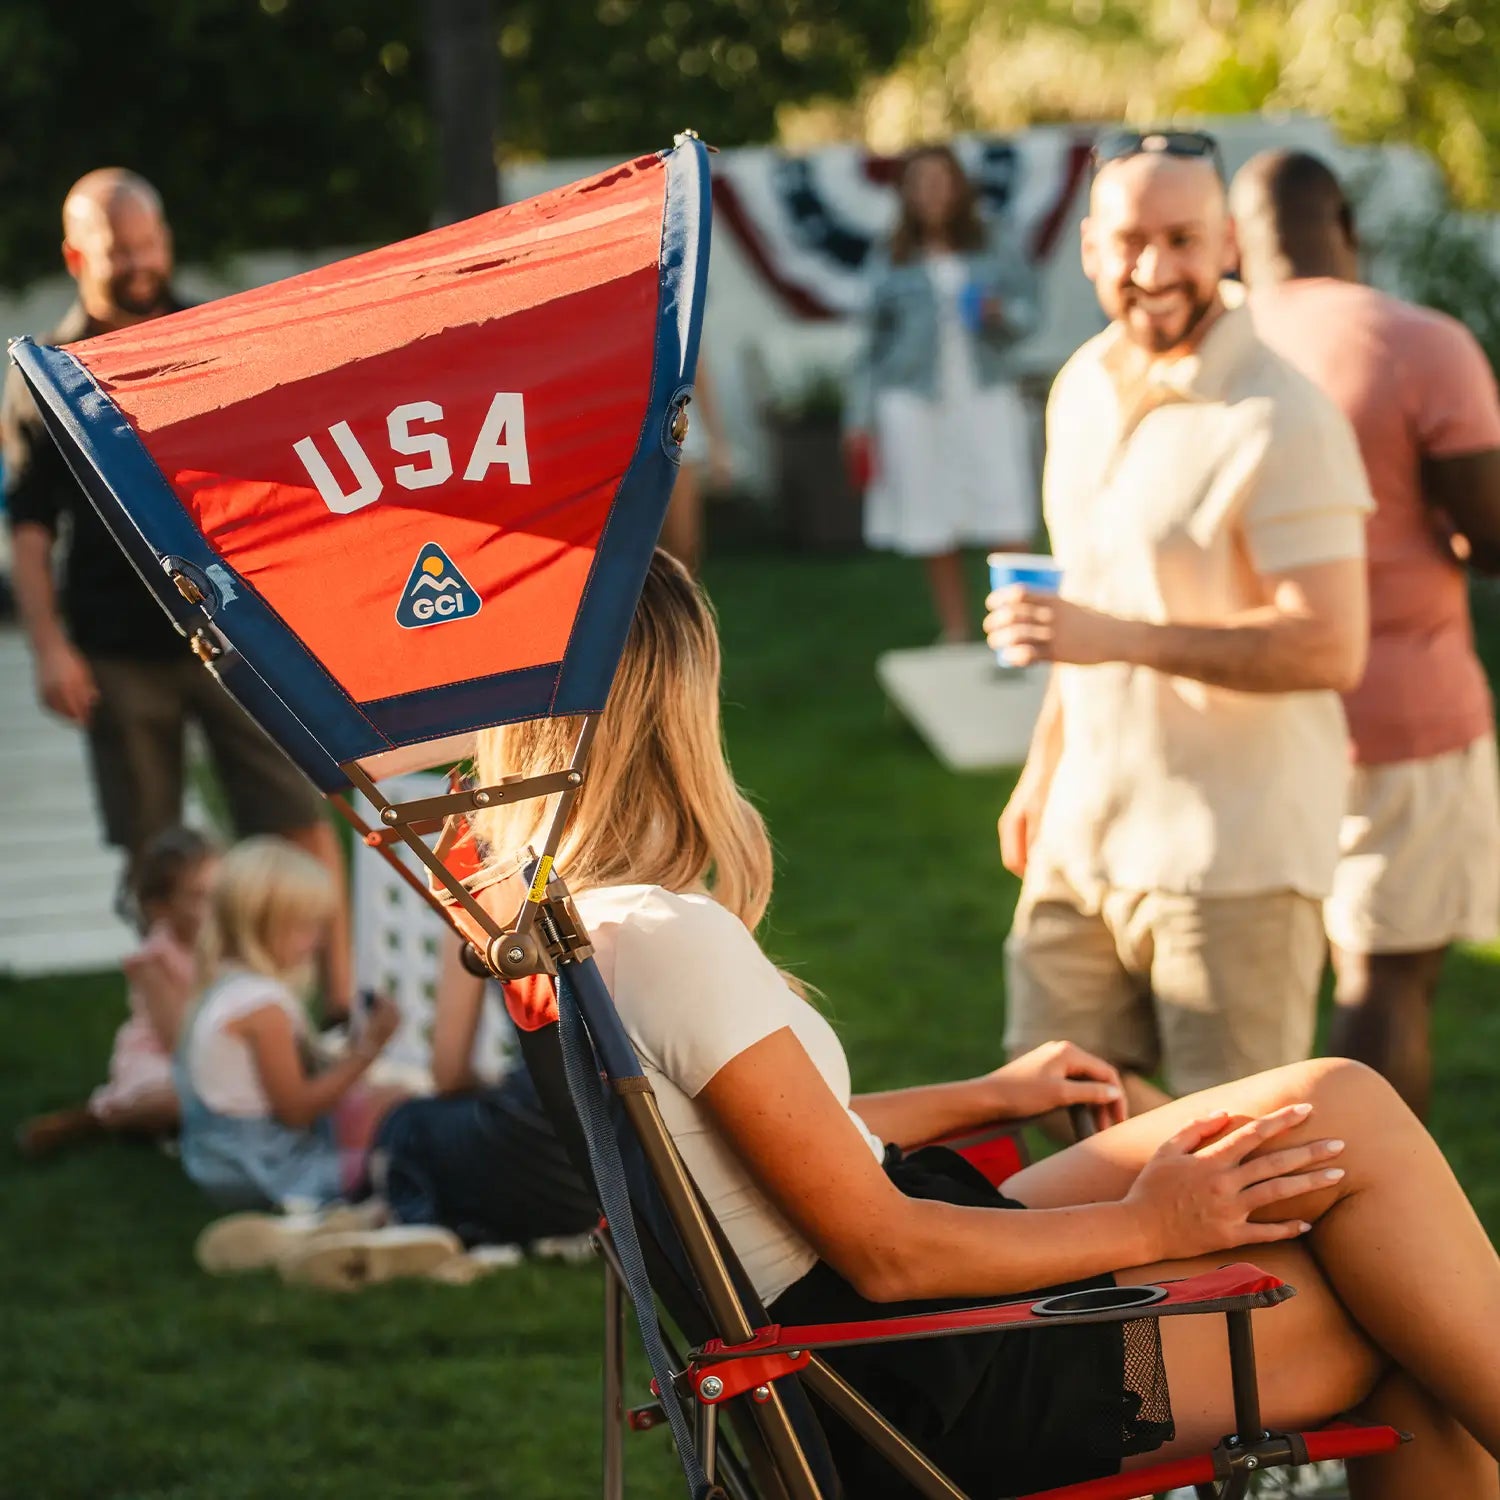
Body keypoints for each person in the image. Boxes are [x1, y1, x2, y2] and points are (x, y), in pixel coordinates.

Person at [466, 549, 1500, 1496]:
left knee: (1333, 1122)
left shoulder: (570, 934)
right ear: (674, 709)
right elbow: (889, 1256)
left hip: (850, 1331)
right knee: (1394, 1296)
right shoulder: (662, 936)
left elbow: (758, 1149)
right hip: (914, 1369)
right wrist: (1157, 1224)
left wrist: (996, 1097)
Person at [985, 132, 1373, 1108]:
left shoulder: (1284, 416)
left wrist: (1114, 638)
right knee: (1054, 1099)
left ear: (1230, 243)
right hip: (1085, 832)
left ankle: (1309, 1270)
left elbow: (1330, 644)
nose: (1154, 270)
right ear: (1088, 248)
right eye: (1128, 241)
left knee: (1233, 1154)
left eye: (1183, 240)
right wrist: (1043, 771)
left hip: (1232, 852)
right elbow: (1081, 608)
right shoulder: (1079, 387)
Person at [0, 167, 354, 1011]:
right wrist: (50, 647)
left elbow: (273, 482)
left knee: (297, 814)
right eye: (120, 249)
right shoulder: (45, 374)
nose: (140, 262)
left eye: (150, 242)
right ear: (77, 252)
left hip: (235, 635)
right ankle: (192, 1033)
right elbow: (30, 527)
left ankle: (341, 1005)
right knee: (155, 855)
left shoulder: (205, 336)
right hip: (119, 653)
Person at [1229, 149, 1500, 1119]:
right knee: (1387, 981)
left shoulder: (1205, 351)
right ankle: (1368, 1215)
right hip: (1403, 713)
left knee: (1254, 995)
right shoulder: (1418, 341)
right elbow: (1493, 536)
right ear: (1343, 223)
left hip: (1240, 713)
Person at [845, 145, 1040, 643]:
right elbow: (870, 344)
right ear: (905, 193)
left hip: (985, 390)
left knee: (1005, 505)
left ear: (958, 186)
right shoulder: (890, 254)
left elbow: (1030, 313)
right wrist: (858, 420)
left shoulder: (994, 241)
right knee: (933, 515)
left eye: (940, 179)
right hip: (912, 399)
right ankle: (956, 630)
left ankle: (1024, 627)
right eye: (919, 182)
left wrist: (1003, 315)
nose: (931, 191)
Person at [176, 836, 409, 1215]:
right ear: (264, 926)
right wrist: (370, 1048)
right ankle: (314, 1225)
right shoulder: (262, 1008)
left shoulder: (225, 984)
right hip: (270, 1173)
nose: (317, 942)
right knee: (406, 1160)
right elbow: (297, 1111)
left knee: (389, 1100)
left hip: (221, 1165)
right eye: (307, 928)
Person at [16, 826, 218, 1158]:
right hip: (165, 1058)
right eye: (199, 896)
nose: (216, 907)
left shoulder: (230, 945)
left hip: (218, 1052)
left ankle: (178, 1131)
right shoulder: (156, 960)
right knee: (177, 1102)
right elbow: (176, 1038)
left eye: (221, 892)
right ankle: (106, 1118)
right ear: (160, 908)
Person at [660, 355, 731, 574]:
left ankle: (680, 605)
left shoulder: (679, 320)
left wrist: (717, 443)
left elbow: (697, 366)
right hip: (626, 428)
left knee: (684, 545)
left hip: (676, 424)